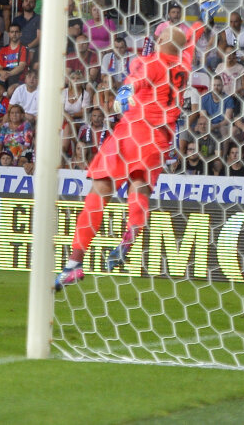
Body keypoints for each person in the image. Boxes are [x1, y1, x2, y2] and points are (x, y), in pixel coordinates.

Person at [56, 20, 202, 290]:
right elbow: (189, 42)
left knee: (100, 189)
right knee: (140, 187)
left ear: (159, 43)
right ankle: (129, 238)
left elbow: (133, 82)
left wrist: (124, 93)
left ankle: (74, 264)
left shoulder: (153, 61)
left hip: (132, 131)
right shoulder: (184, 64)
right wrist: (200, 22)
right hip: (160, 140)